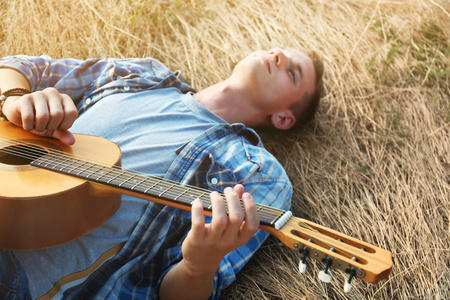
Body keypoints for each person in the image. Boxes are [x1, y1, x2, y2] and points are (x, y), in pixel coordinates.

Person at [0, 47, 324, 300]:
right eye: (274, 50)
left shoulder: (259, 174)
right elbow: (21, 67)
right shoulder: (144, 75)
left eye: (292, 72)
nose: (276, 55)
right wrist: (13, 100)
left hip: (19, 280)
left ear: (283, 118)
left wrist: (199, 265)